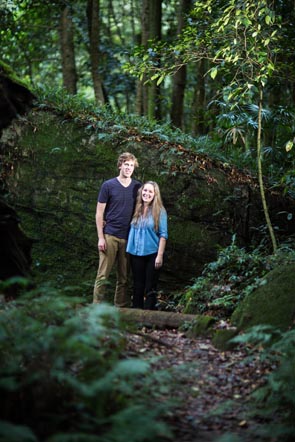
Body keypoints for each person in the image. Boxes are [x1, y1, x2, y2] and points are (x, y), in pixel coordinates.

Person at [93, 152, 141, 307]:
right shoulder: (108, 185)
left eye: (131, 165)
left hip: (128, 238)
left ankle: (120, 308)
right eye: (126, 164)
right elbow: (99, 213)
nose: (128, 168)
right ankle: (96, 308)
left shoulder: (137, 187)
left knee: (124, 277)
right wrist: (100, 237)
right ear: (120, 165)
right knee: (103, 275)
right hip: (110, 235)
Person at [126, 181, 168, 310]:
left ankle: (149, 316)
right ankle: (136, 314)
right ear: (141, 192)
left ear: (155, 194)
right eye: (145, 190)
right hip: (136, 253)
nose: (147, 193)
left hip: (152, 254)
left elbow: (163, 235)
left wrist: (159, 256)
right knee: (137, 285)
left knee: (150, 286)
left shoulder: (160, 211)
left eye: (150, 191)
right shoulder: (136, 208)